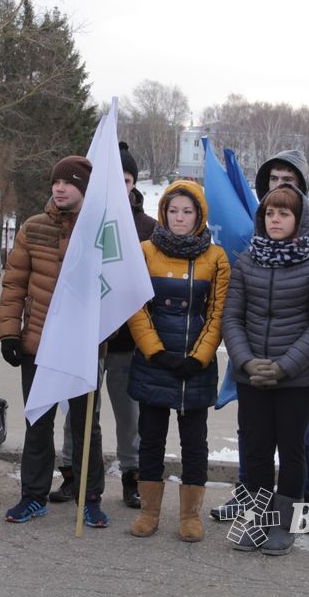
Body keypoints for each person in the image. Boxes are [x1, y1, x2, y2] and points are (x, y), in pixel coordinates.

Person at [211, 148, 309, 528]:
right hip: (253, 351)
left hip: (297, 358)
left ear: (301, 187)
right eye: (273, 180)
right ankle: (251, 501)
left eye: (288, 180)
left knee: (304, 436)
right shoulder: (254, 230)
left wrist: (299, 305)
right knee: (253, 435)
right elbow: (233, 310)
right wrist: (245, 353)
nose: (279, 186)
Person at [0, 156, 109, 527]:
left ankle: (89, 498)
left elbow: (115, 287)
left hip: (83, 346)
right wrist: (10, 332)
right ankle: (32, 496)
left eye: (69, 183)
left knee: (85, 426)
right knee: (38, 420)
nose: (59, 188)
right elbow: (13, 284)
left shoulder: (100, 231)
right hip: (39, 343)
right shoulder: (33, 227)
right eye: (56, 182)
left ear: (85, 189)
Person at [50, 142, 156, 508]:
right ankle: (72, 473)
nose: (119, 185)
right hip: (86, 337)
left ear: (133, 183)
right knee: (78, 411)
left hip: (127, 339)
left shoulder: (147, 227)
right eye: (113, 178)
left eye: (125, 179)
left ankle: (131, 475)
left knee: (128, 415)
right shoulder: (85, 221)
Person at [126, 180, 229, 542]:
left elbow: (218, 313)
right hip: (155, 361)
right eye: (173, 211)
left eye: (187, 211)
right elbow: (135, 306)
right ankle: (149, 512)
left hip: (194, 367)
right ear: (163, 213)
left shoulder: (215, 258)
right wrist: (155, 351)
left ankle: (190, 516)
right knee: (151, 440)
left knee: (194, 443)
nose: (180, 218)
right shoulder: (144, 252)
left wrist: (199, 358)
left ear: (199, 215)